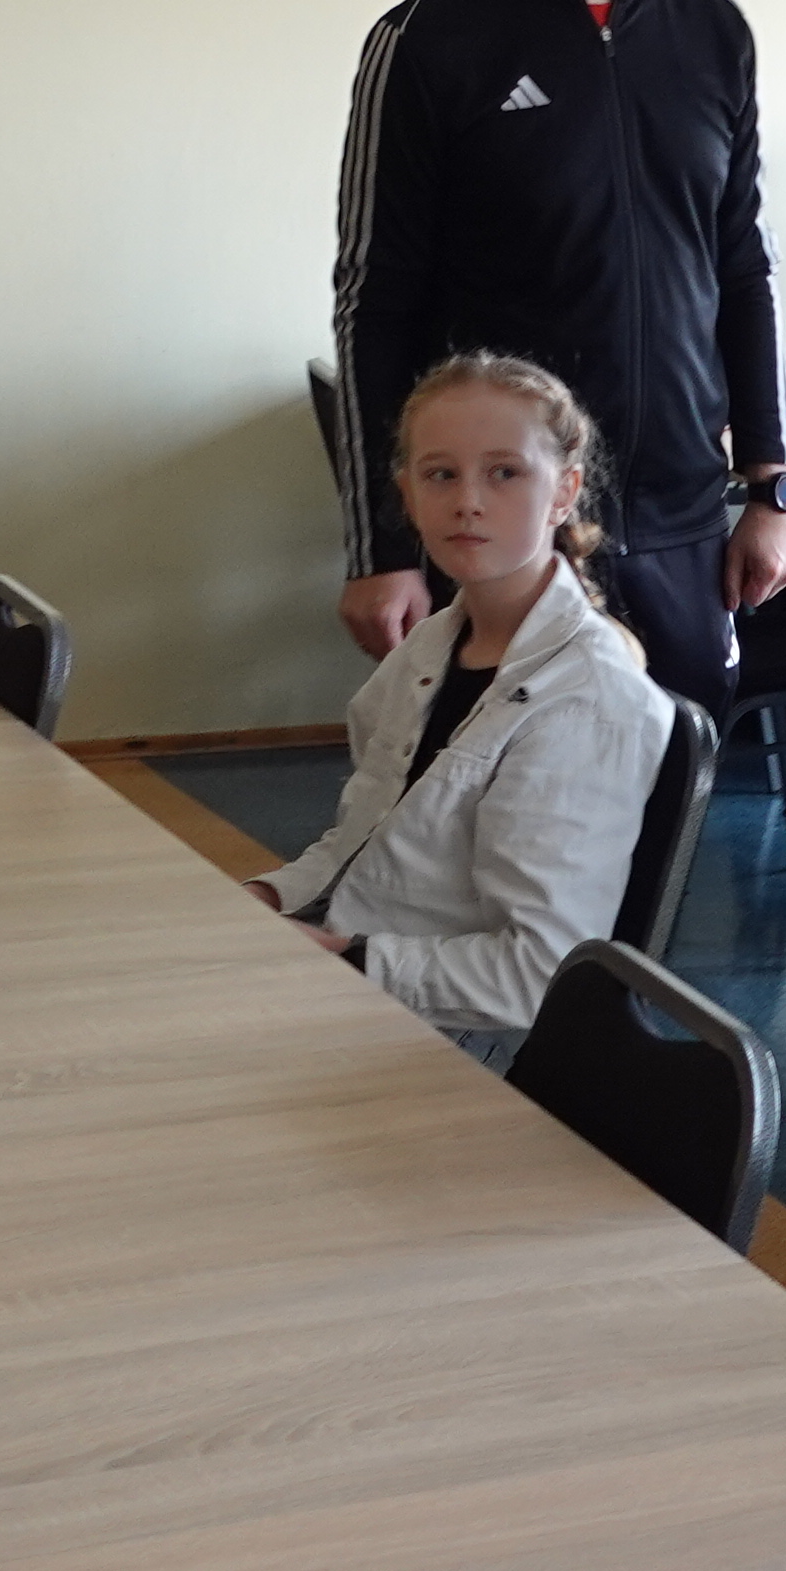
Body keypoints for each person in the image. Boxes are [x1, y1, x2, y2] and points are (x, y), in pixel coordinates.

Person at [328, 0, 786, 701]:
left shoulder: (714, 34)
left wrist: (774, 487)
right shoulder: (431, 40)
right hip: (503, 536)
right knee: (502, 800)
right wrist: (380, 544)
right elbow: (377, 301)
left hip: (680, 529)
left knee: (675, 792)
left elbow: (743, 268)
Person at [254, 357, 670, 1061]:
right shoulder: (429, 648)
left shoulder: (588, 701)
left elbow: (538, 973)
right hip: (355, 971)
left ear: (564, 492)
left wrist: (343, 958)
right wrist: (267, 898)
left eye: (504, 472)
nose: (468, 501)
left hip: (452, 1041)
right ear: (409, 496)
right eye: (441, 474)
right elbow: (358, 844)